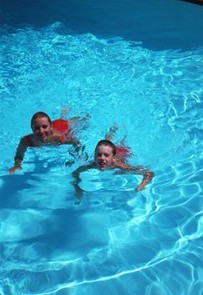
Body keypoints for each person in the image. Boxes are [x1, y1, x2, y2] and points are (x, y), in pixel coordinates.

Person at [72, 139, 154, 199]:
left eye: (106, 155)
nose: (102, 158)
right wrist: (78, 188)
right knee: (106, 142)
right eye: (99, 155)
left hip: (123, 153)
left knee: (122, 144)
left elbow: (148, 172)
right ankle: (110, 134)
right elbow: (75, 173)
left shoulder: (120, 166)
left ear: (113, 158)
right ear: (94, 156)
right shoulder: (92, 165)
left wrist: (142, 185)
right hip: (112, 151)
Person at [9, 111, 87, 174]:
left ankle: (66, 113)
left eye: (44, 127)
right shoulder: (26, 141)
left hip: (63, 125)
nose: (41, 131)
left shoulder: (58, 138)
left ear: (50, 127)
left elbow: (76, 142)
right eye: (37, 128)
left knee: (84, 120)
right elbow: (19, 153)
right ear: (31, 129)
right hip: (52, 124)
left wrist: (78, 156)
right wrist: (17, 165)